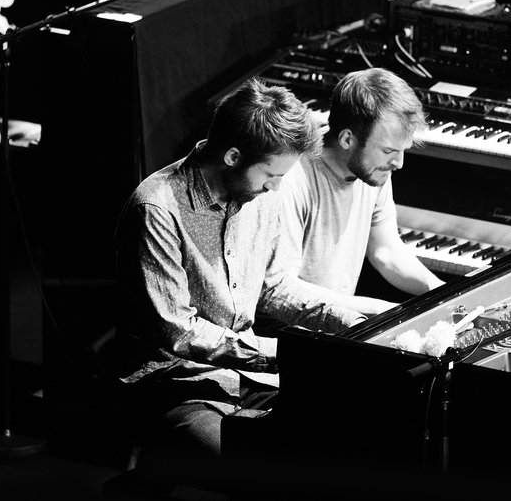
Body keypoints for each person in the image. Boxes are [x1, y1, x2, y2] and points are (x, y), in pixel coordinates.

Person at [113, 78, 365, 469]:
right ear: (232, 157)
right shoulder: (157, 208)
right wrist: (280, 355)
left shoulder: (260, 196)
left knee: (344, 447)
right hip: (174, 384)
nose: (278, 186)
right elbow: (178, 331)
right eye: (271, 174)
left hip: (246, 377)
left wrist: (349, 323)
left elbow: (275, 288)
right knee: (255, 471)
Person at [278, 67, 444, 316]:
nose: (399, 164)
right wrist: (375, 309)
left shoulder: (372, 169)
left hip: (338, 325)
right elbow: (280, 289)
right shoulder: (291, 179)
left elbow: (386, 251)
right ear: (347, 140)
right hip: (287, 338)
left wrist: (441, 292)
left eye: (402, 150)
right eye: (389, 151)